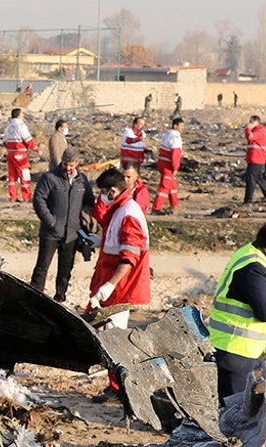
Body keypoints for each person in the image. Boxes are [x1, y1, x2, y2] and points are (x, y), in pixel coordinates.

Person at [208, 221, 266, 447]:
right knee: (240, 418)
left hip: (249, 352)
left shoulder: (257, 258)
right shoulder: (253, 268)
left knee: (264, 407)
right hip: (234, 352)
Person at [83, 167, 149, 330]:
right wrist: (101, 241)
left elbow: (130, 257)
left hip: (119, 288)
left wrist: (111, 285)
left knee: (113, 330)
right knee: (95, 324)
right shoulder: (121, 210)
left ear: (112, 191)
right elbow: (119, 241)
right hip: (111, 283)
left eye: (103, 192)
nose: (102, 197)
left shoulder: (128, 213)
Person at [31, 148, 96, 302]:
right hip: (51, 232)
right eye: (66, 164)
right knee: (42, 267)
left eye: (71, 165)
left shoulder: (83, 180)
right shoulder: (49, 178)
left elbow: (89, 201)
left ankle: (60, 298)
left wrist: (84, 217)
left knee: (65, 269)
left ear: (77, 163)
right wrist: (50, 221)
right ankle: (33, 297)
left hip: (72, 234)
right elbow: (39, 200)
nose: (68, 168)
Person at [0, 107, 36, 203]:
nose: (23, 115)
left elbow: (5, 141)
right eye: (22, 114)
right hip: (21, 154)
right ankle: (26, 197)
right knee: (25, 176)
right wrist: (37, 149)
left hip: (11, 153)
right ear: (19, 115)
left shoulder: (8, 127)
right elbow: (28, 140)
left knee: (12, 176)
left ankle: (13, 197)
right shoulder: (21, 126)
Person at [242, 114, 266, 205]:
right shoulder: (256, 131)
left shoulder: (260, 131)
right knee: (260, 179)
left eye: (252, 122)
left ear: (257, 122)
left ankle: (248, 201)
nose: (250, 124)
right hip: (255, 159)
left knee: (251, 179)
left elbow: (250, 137)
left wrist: (248, 128)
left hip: (256, 159)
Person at [153, 117, 184, 213]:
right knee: (165, 186)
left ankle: (175, 205)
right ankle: (156, 208)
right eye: (181, 126)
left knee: (172, 185)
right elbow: (176, 154)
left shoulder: (167, 134)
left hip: (162, 162)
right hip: (168, 165)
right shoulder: (176, 138)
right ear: (175, 126)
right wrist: (175, 167)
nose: (182, 128)